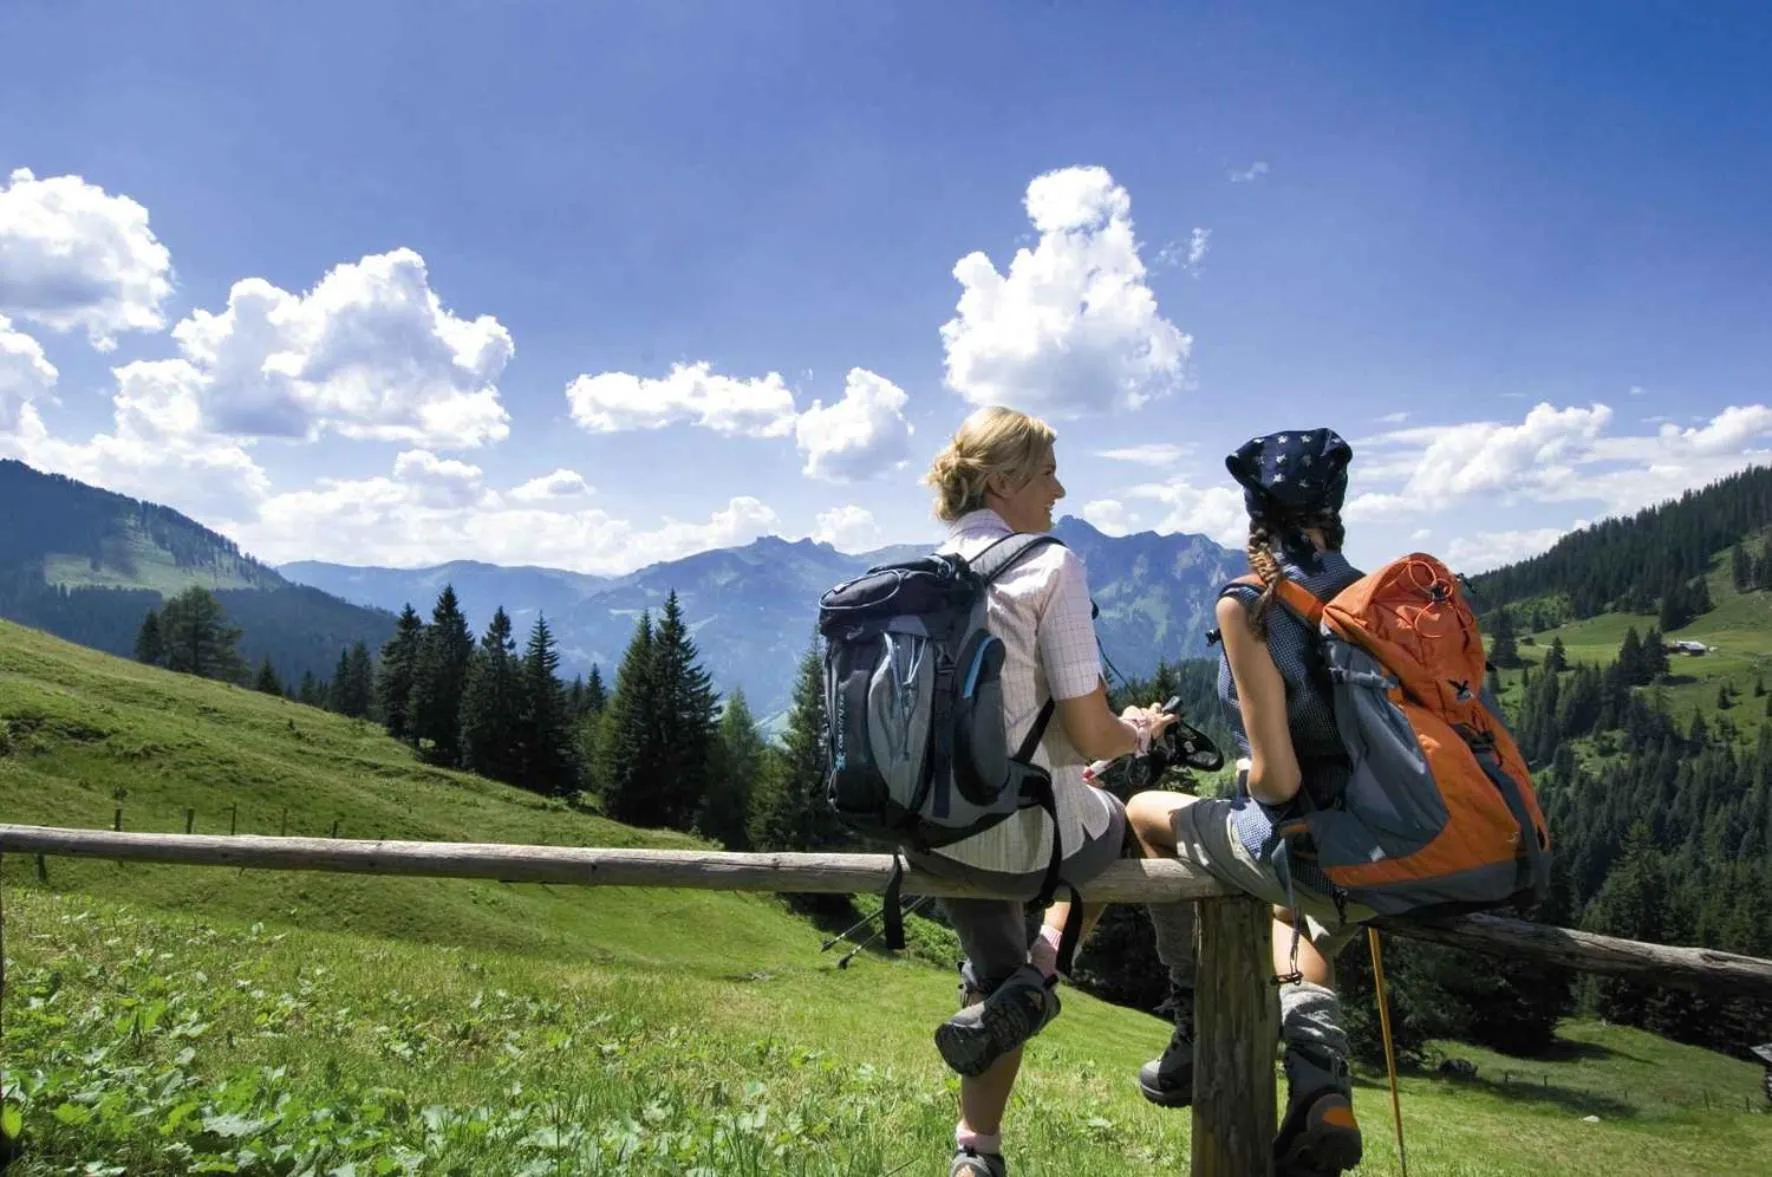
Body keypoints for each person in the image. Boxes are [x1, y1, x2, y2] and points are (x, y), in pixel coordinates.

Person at [914, 405, 1177, 1177]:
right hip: (1020, 832)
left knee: (992, 981)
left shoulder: (926, 574)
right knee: (1121, 823)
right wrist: (1136, 732)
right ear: (1002, 481)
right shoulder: (1049, 566)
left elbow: (1001, 714)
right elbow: (1092, 735)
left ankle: (975, 1155)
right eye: (1047, 473)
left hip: (929, 824)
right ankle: (1048, 970)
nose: (1059, 489)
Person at [1125, 427, 1372, 1177]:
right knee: (1287, 913)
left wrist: (1243, 774)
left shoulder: (1251, 602)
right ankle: (1321, 1082)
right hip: (1371, 838)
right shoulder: (1368, 589)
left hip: (1299, 833)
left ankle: (1194, 1019)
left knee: (1143, 814)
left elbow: (1276, 781)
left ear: (1255, 508)